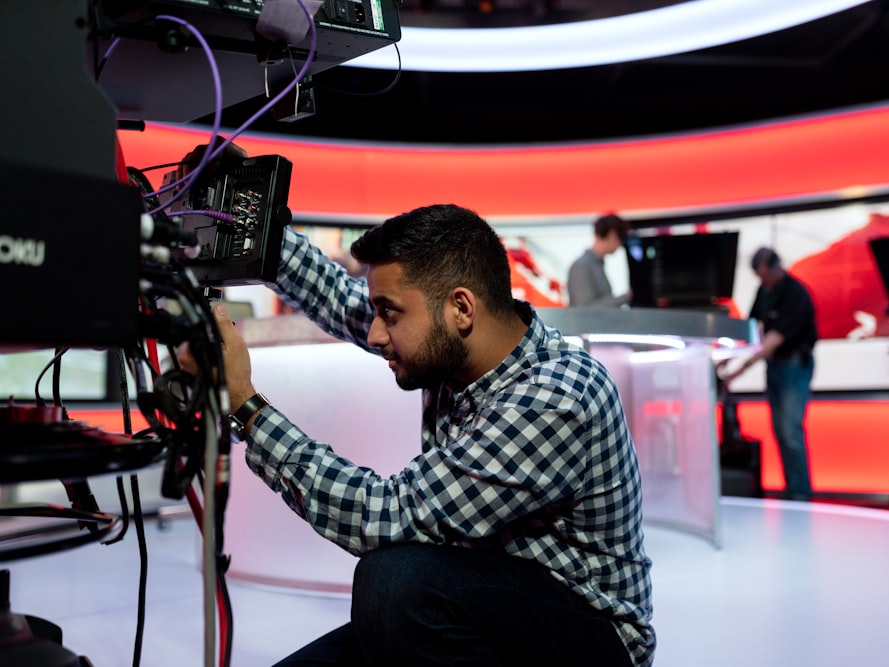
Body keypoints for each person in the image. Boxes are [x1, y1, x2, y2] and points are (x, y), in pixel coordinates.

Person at [182, 192, 655, 665]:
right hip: (476, 606)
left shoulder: (557, 397)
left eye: (389, 312)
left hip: (590, 639)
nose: (373, 333)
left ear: (461, 309)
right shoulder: (452, 350)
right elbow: (332, 293)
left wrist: (245, 406)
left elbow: (386, 515)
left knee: (395, 580)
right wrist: (247, 213)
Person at [724, 247, 818, 501]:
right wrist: (725, 357)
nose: (762, 282)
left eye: (764, 275)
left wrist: (741, 369)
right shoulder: (765, 292)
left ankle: (800, 493)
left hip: (793, 365)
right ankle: (792, 488)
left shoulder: (794, 293)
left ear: (776, 267)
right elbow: (753, 329)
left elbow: (774, 340)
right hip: (775, 366)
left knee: (790, 430)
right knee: (779, 429)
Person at [567, 213, 632, 307]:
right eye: (621, 238)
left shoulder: (596, 265)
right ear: (612, 234)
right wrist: (625, 297)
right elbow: (586, 309)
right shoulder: (581, 267)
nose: (621, 245)